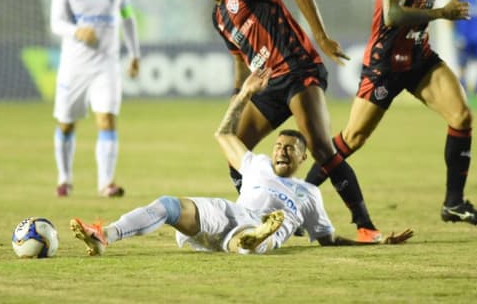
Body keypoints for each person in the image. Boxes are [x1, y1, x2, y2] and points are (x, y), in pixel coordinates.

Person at [70, 69, 413, 255]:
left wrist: (374, 242)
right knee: (168, 205)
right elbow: (222, 134)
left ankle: (252, 239)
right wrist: (245, 95)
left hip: (259, 230)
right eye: (279, 144)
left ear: (303, 157)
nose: (280, 150)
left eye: (289, 148)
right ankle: (105, 235)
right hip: (228, 213)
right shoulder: (257, 163)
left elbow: (328, 240)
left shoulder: (310, 195)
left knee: (249, 237)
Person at [174, 0, 382, 242]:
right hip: (268, 86)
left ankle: (365, 225)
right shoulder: (219, 18)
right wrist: (239, 97)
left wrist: (322, 38)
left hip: (298, 69)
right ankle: (267, 213)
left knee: (321, 148)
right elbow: (240, 61)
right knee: (237, 150)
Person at [320, 0, 477, 225]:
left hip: (418, 56)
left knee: (461, 115)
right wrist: (442, 13)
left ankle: (453, 203)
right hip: (386, 64)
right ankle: (298, 193)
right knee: (353, 138)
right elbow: (392, 14)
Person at [50, 0, 141, 197]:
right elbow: (56, 22)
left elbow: (127, 18)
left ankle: (106, 183)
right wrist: (77, 31)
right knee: (66, 123)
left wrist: (135, 53)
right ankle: (64, 178)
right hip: (74, 66)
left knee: (107, 120)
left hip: (107, 66)